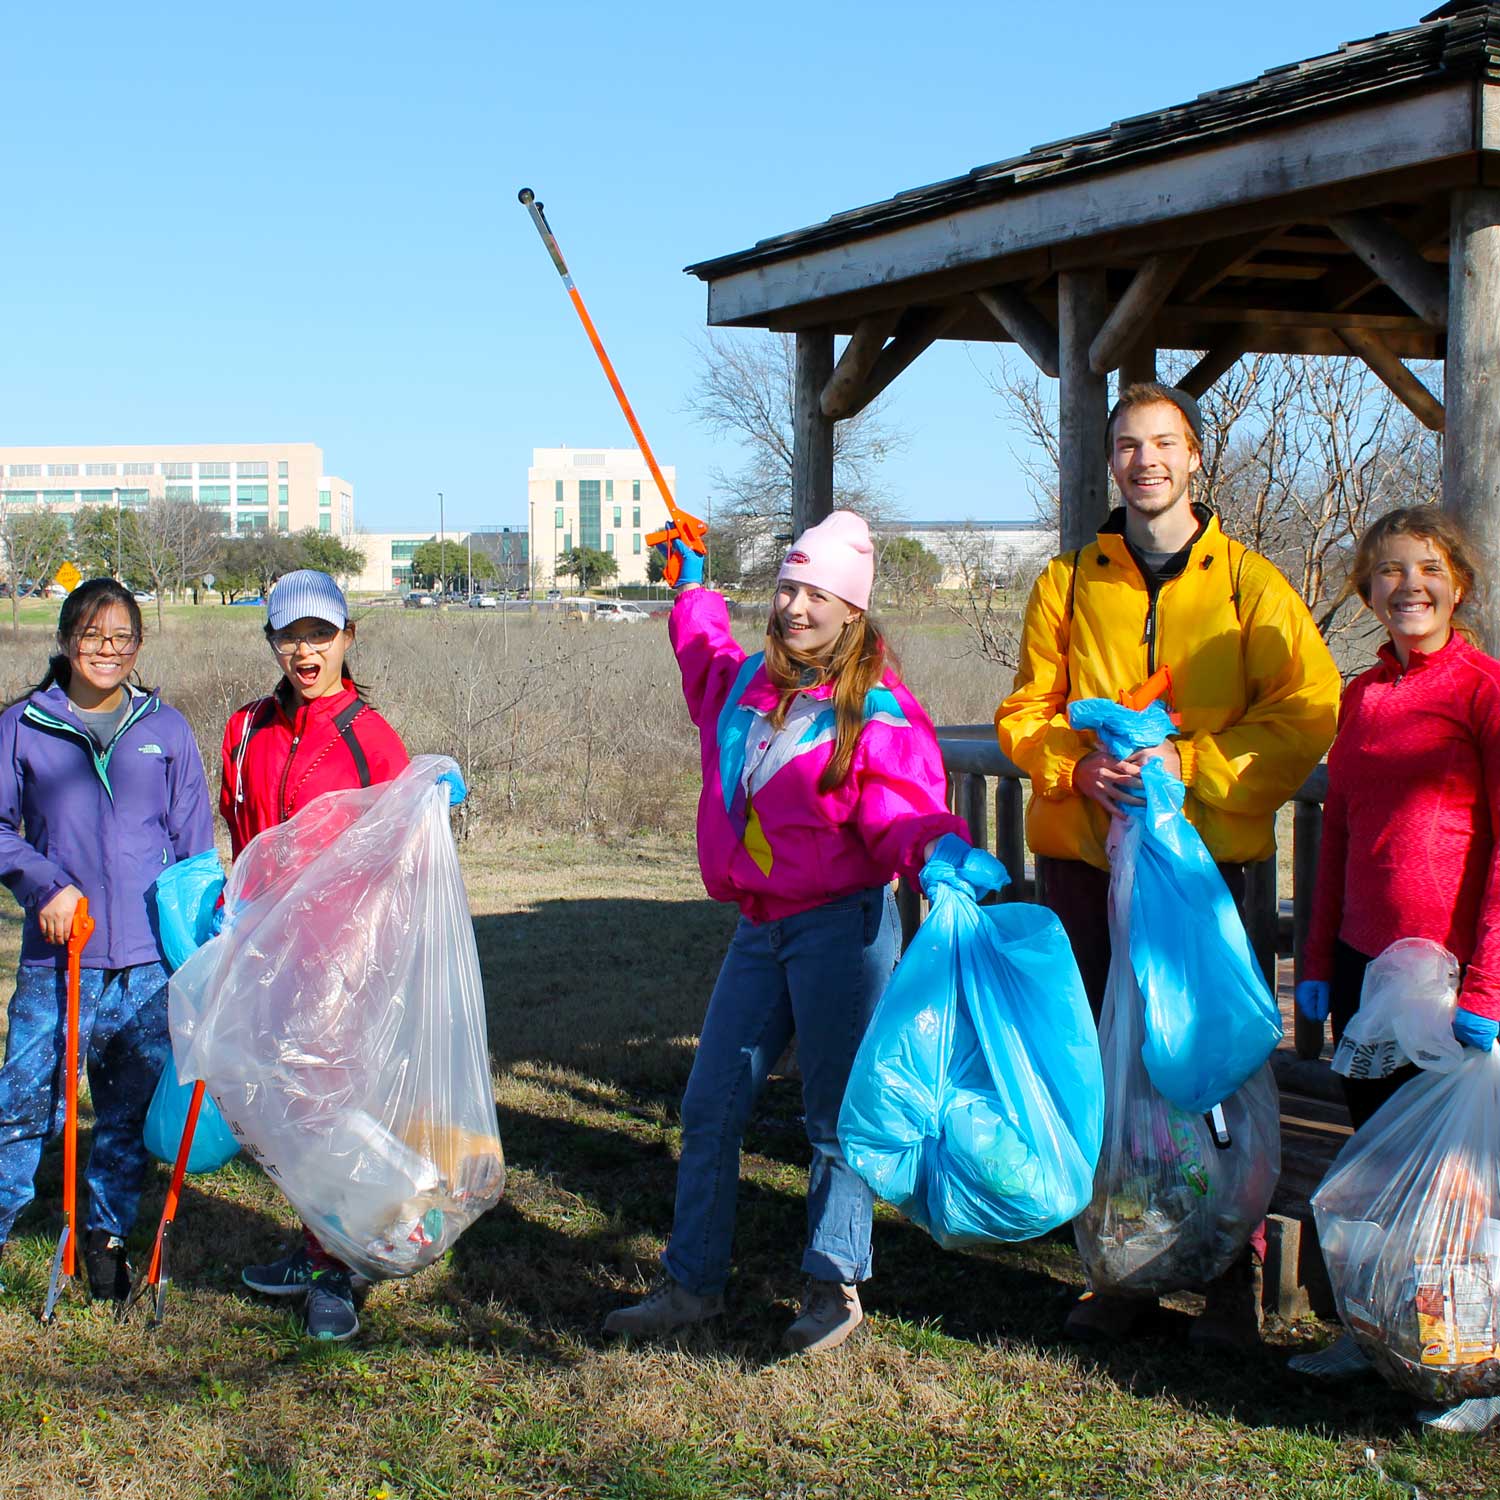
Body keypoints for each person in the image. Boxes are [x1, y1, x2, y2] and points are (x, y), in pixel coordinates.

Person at [996, 382, 1340, 1350]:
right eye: (1127, 446)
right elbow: (1026, 710)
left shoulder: (1247, 583)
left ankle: (1231, 1276)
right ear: (1112, 463)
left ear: (1195, 459)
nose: (1145, 461)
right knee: (1102, 1074)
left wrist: (1197, 769)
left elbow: (1307, 710)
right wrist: (1076, 765)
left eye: (1163, 444)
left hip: (1204, 874)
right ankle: (1122, 1266)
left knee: (1215, 1070)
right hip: (1087, 866)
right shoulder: (1069, 581)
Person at [603, 511, 971, 1354]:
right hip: (759, 928)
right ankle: (692, 1286)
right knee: (709, 1108)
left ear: (854, 611)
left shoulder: (877, 712)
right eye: (788, 589)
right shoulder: (749, 690)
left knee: (835, 1116)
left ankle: (833, 1286)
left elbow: (901, 807)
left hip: (842, 927)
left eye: (818, 594)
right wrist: (691, 585)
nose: (797, 607)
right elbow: (706, 657)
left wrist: (939, 854)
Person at [1290, 508, 1500, 1432]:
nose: (1407, 585)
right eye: (1385, 572)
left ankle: (1474, 1364)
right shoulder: (1360, 696)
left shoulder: (1485, 689)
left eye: (1427, 568)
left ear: (1460, 582)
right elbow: (1336, 837)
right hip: (1367, 969)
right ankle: (1371, 1329)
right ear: (1364, 590)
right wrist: (1318, 960)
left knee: (1460, 1184)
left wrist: (1490, 984)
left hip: (1454, 978)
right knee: (1377, 1164)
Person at [225, 569, 463, 1342]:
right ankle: (315, 1244)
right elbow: (247, 839)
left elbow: (401, 859)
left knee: (324, 1107)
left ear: (348, 638)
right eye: (290, 635)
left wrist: (432, 793)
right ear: (272, 641)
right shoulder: (246, 728)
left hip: (344, 958)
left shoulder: (370, 735)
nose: (305, 651)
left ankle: (342, 1265)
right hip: (269, 951)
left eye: (320, 635)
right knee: (289, 1113)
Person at [0, 579, 214, 1299]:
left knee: (127, 1106)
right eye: (94, 636)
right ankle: (3, 1222)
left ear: (139, 646)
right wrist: (44, 884)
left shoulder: (167, 729)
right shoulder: (23, 726)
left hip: (148, 961)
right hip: (59, 958)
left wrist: (201, 939)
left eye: (123, 637)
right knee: (30, 1102)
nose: (108, 650)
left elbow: (192, 854)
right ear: (65, 640)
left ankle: (107, 1234)